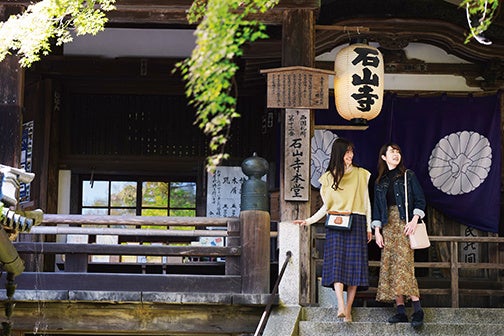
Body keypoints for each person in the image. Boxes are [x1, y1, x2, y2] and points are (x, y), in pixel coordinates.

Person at [294, 138, 372, 322]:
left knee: (355, 268)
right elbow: (325, 207)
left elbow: (367, 202)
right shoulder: (328, 178)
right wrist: (308, 221)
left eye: (351, 152)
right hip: (336, 222)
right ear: (338, 153)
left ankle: (349, 310)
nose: (350, 155)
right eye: (346, 152)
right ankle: (340, 305)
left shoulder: (362, 174)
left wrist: (369, 227)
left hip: (357, 220)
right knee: (337, 265)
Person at [371, 143, 426, 328]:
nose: (396, 154)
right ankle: (401, 311)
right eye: (392, 152)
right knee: (391, 267)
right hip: (388, 227)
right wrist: (377, 231)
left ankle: (417, 309)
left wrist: (414, 220)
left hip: (405, 225)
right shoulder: (380, 181)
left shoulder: (407, 175)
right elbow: (377, 209)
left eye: (398, 152)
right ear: (384, 157)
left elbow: (420, 199)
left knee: (404, 265)